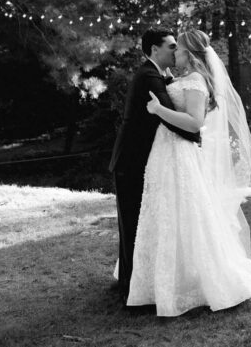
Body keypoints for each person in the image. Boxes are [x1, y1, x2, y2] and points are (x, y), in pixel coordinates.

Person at [126, 29, 251, 317]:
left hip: (179, 154)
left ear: (189, 53)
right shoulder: (180, 79)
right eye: (172, 48)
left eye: (179, 49)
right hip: (163, 152)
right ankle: (160, 280)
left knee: (187, 214)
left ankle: (198, 281)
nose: (174, 52)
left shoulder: (197, 80)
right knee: (165, 213)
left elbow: (193, 123)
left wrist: (158, 110)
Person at [108, 29, 200, 303]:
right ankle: (130, 285)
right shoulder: (148, 75)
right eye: (171, 46)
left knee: (138, 223)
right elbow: (172, 115)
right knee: (132, 224)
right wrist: (196, 134)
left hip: (143, 160)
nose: (176, 50)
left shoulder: (159, 74)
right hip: (132, 160)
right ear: (154, 49)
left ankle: (134, 280)